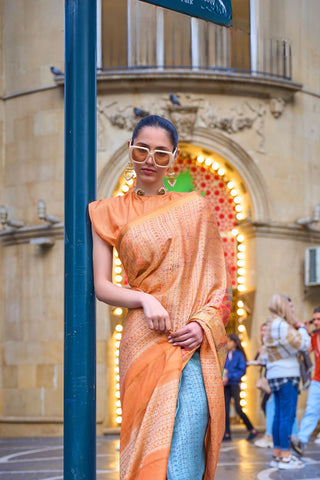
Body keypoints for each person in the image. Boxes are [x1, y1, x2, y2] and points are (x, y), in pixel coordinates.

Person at [89, 115, 231, 480]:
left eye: (161, 153)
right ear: (130, 151)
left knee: (184, 451)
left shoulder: (195, 208)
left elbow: (218, 284)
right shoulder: (107, 212)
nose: (150, 159)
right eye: (142, 150)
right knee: (148, 451)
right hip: (143, 342)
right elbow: (102, 286)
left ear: (173, 157)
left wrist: (203, 326)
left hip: (192, 344)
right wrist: (143, 299)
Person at [264, 293, 310, 470]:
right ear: (283, 307)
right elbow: (304, 344)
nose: (293, 310)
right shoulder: (282, 325)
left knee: (278, 416)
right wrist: (302, 328)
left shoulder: (271, 324)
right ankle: (285, 456)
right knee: (287, 416)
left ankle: (277, 455)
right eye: (290, 307)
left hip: (275, 374)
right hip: (287, 374)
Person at [291, 306, 320, 455]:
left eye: (318, 319)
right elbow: (306, 351)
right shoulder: (314, 337)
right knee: (311, 410)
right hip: (317, 380)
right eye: (314, 319)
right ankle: (301, 442)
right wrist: (306, 332)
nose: (316, 322)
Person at [223, 334, 259, 442]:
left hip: (234, 384)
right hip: (225, 385)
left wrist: (229, 377)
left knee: (238, 408)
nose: (228, 343)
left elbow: (242, 370)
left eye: (230, 341)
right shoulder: (225, 355)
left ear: (234, 343)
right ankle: (227, 433)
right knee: (225, 410)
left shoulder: (239, 355)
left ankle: (252, 429)